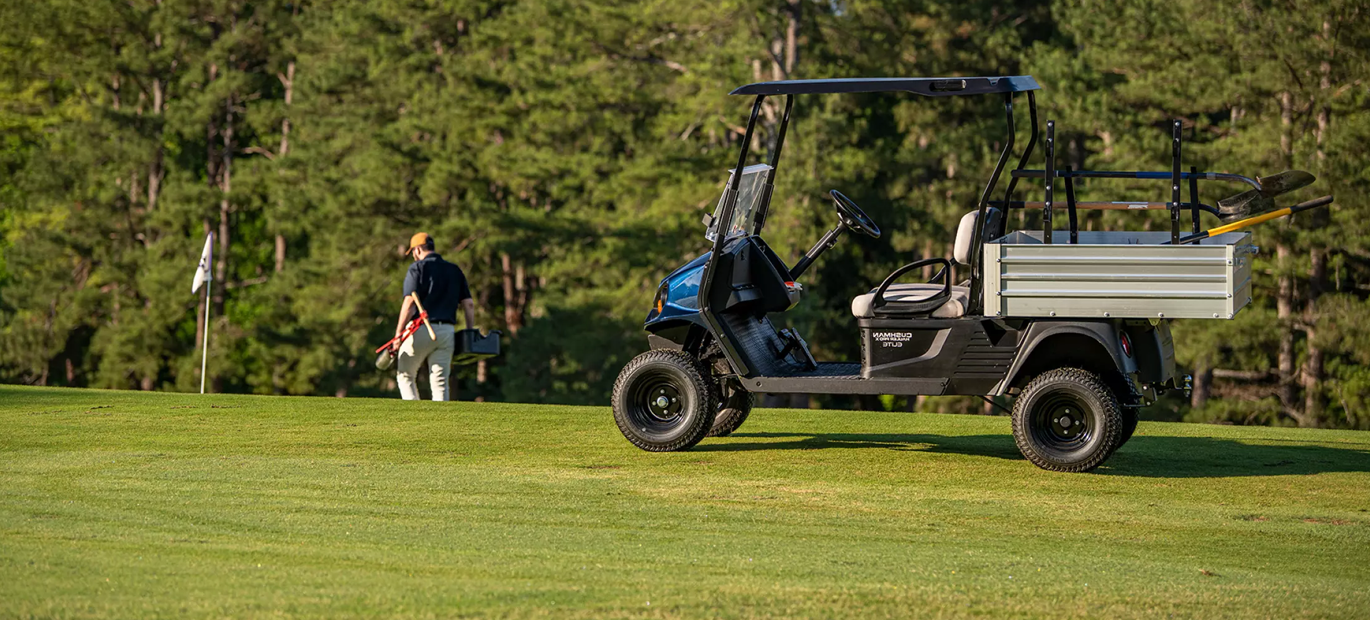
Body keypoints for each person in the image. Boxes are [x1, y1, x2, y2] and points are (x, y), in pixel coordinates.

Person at [393, 232, 476, 401]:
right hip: (446, 332)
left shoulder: (417, 268)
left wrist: (398, 335)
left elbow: (409, 304)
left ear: (417, 250)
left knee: (405, 375)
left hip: (421, 328)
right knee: (440, 382)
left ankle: (414, 417)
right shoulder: (454, 269)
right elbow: (469, 304)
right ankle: (441, 424)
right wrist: (469, 333)